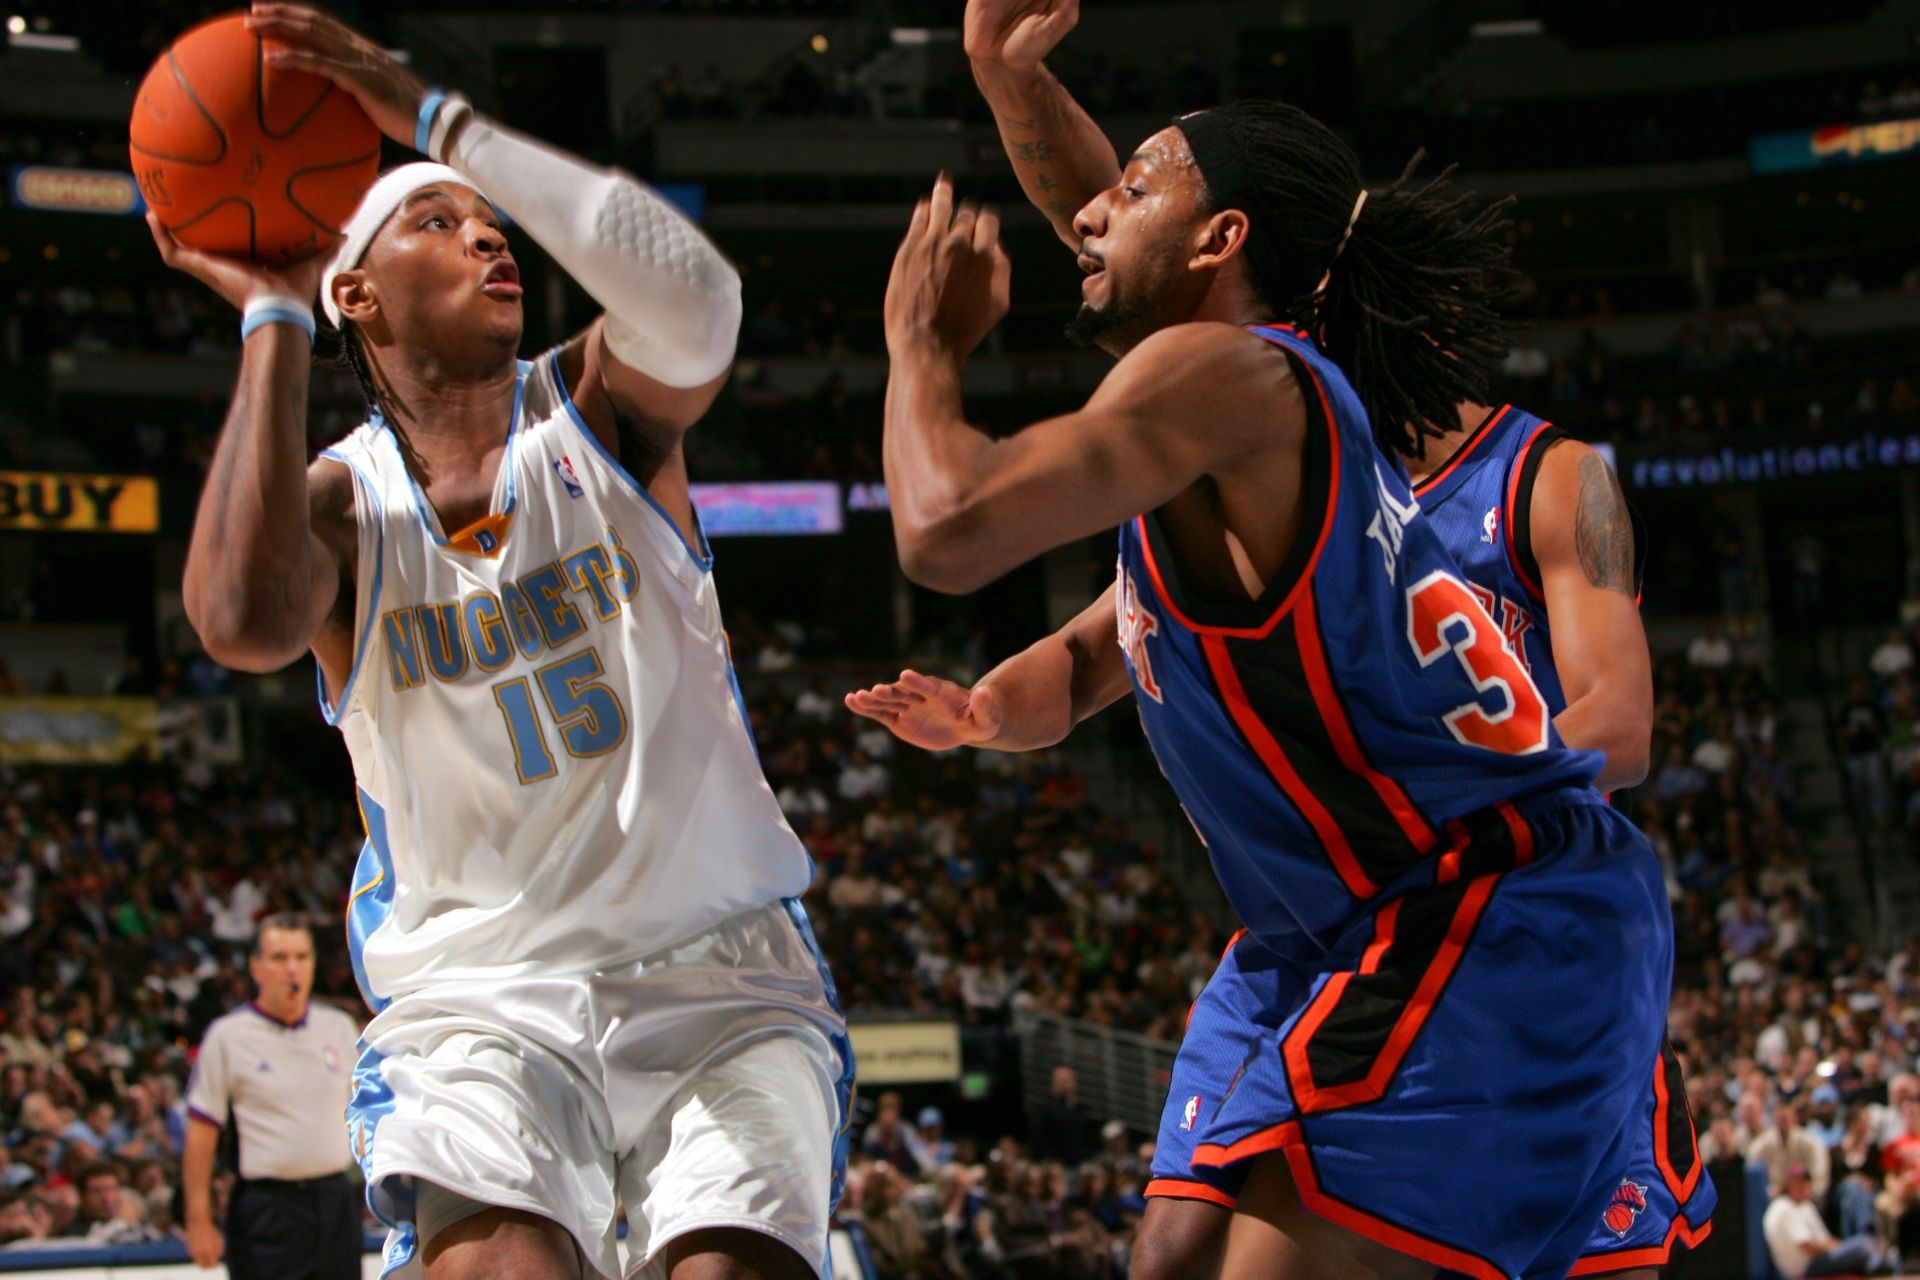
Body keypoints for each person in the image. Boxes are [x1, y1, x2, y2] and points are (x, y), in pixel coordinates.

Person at [852, 9, 1694, 1277]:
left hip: (1479, 894)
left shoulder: (1302, 404)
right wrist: (1008, 77)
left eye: (1133, 191)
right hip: (1330, 916)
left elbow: (951, 523)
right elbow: (1132, 231)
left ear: (1227, 245)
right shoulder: (1249, 427)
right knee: (1172, 1255)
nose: (1087, 216)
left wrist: (919, 346)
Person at [156, 7, 851, 1278]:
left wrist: (440, 124)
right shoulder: (341, 505)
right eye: (436, 219)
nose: (486, 231)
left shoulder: (597, 412)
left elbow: (701, 300)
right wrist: (269, 311)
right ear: (354, 290)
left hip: (718, 972)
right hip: (479, 1000)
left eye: (490, 217)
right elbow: (241, 623)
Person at [181, 916, 361, 1279]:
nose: (292, 968)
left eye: (302, 956)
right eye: (279, 958)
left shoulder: (339, 1028)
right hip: (266, 1210)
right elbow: (201, 1133)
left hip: (335, 1202)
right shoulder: (228, 1036)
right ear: (256, 968)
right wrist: (198, 1220)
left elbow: (365, 1115)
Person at [1763, 1164, 1894, 1278]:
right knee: (1862, 1246)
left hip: (1818, 1259)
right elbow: (1807, 1245)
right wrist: (1839, 1249)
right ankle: (1880, 1264)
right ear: (1788, 1185)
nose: (1803, 1187)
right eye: (1798, 1183)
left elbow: (1824, 1238)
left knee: (1865, 1242)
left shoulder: (1804, 1206)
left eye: (1805, 1182)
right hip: (1803, 1269)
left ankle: (1881, 1262)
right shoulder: (1783, 1208)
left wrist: (1841, 1248)